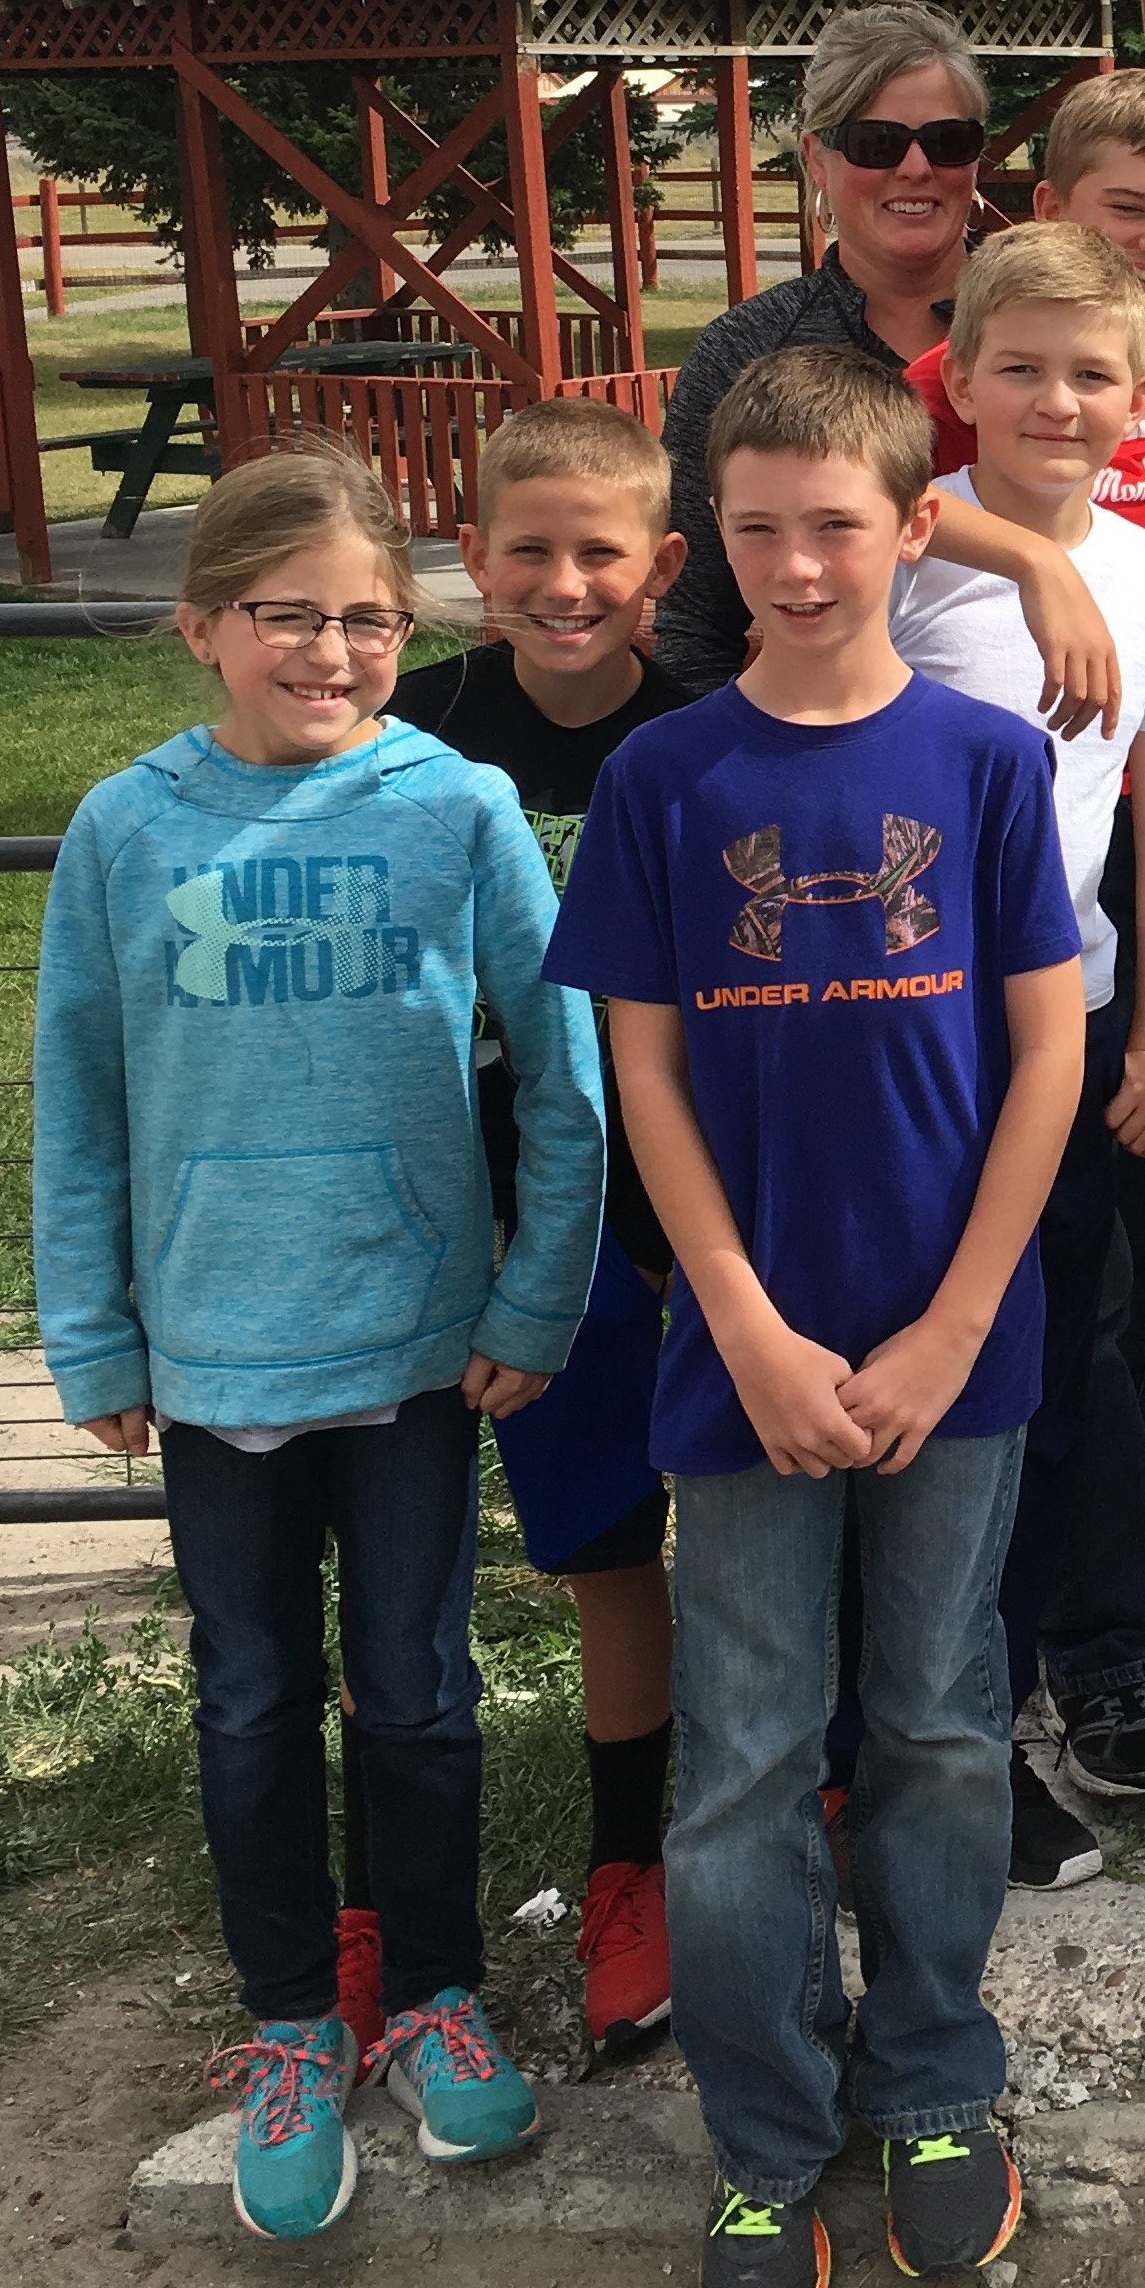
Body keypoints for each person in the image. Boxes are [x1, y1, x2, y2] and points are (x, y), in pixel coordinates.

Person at [545, 345, 1083, 2288]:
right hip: (744, 1355)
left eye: (832, 523)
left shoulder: (987, 759)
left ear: (910, 527)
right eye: (755, 527)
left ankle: (936, 2072)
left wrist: (952, 1318)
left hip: (959, 1343)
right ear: (717, 541)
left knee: (940, 1721)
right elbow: (646, 1074)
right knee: (748, 1755)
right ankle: (766, 2133)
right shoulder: (669, 781)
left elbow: (1047, 1046)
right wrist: (743, 1319)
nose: (793, 560)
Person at [33, 443, 605, 2242]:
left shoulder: (460, 806)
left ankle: (435, 1993)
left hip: (418, 1344)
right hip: (211, 1357)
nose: (334, 649)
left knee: (421, 1688)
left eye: (368, 616)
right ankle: (295, 2018)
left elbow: (568, 1075)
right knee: (254, 1692)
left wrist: (535, 1295)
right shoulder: (127, 829)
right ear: (204, 624)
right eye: (291, 616)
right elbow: (78, 1096)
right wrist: (91, 1327)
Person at [903, 61, 1145, 1685]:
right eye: (1122, 205)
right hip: (978, 903)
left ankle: (1143, 1560)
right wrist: (1027, 566)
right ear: (1045, 207)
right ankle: (1087, 1626)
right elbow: (851, 505)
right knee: (1074, 1269)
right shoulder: (965, 366)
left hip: (1136, 852)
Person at [890, 225, 1145, 1882]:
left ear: (1141, 389)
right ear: (954, 378)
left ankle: (1097, 1659)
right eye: (1014, 365)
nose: (1052, 397)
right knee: (943, 1357)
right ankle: (948, 1699)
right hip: (897, 1033)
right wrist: (1027, 564)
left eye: (1090, 371)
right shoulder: (893, 550)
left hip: (1075, 1015)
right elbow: (842, 497)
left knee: (1075, 1346)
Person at [388, 398, 691, 2054]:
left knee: (692, 1536)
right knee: (562, 1546)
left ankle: (668, 1843)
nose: (565, 583)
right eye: (531, 550)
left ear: (658, 565)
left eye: (600, 552)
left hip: (680, 1205)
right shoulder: (414, 737)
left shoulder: (710, 735)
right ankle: (478, 1890)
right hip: (478, 1207)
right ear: (473, 561)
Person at [655, 1, 1120, 732]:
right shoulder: (746, 351)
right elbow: (694, 624)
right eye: (876, 142)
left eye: (947, 140)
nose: (915, 167)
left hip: (1080, 753)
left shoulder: (1066, 332)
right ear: (816, 156)